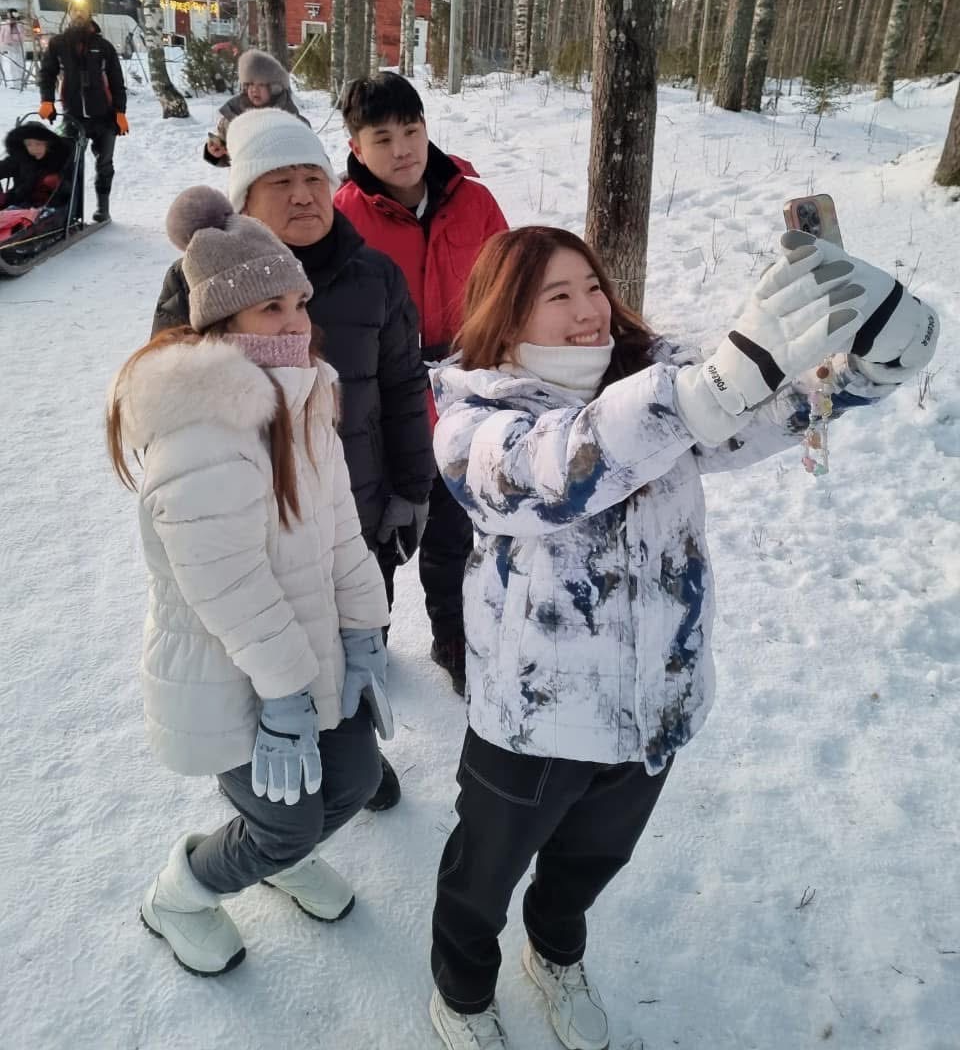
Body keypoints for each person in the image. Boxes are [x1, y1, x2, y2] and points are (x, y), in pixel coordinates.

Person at [426, 225, 940, 1050]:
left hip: (652, 706)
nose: (589, 310)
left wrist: (874, 361)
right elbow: (555, 474)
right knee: (481, 876)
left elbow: (766, 410)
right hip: (532, 724)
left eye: (593, 287)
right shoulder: (476, 422)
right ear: (507, 314)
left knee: (589, 863)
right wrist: (700, 393)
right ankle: (461, 993)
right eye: (558, 295)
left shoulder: (657, 384)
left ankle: (554, 952)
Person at [108, 186, 392, 977]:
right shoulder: (199, 429)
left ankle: (277, 858)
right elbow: (227, 585)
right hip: (233, 670)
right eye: (272, 308)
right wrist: (284, 693)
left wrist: (364, 629)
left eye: (299, 302)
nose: (297, 321)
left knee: (356, 778)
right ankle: (182, 894)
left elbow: (341, 528)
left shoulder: (303, 392)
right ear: (221, 321)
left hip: (302, 650)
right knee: (283, 822)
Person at [152, 108, 434, 811]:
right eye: (281, 182)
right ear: (244, 198)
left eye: (315, 177)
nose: (304, 195)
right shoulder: (195, 280)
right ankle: (269, 786)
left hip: (356, 508)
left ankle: (352, 751)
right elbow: (169, 395)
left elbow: (405, 385)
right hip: (251, 522)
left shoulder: (375, 274)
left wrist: (412, 487)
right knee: (261, 645)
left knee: (357, 635)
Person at [336, 72, 509, 695]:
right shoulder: (341, 217)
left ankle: (453, 635)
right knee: (374, 534)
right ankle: (368, 644)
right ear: (356, 148)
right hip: (380, 403)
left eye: (410, 131)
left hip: (462, 395)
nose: (402, 149)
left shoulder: (473, 200)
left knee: (453, 530)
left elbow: (507, 285)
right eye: (382, 139)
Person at [38, 0, 127, 224]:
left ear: (90, 14)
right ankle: (69, 213)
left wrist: (120, 112)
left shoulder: (103, 46)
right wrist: (47, 100)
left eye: (83, 10)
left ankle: (103, 209)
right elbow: (47, 74)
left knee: (104, 164)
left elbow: (117, 80)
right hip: (73, 115)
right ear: (69, 13)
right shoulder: (58, 44)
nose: (79, 14)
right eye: (75, 10)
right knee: (69, 164)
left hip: (104, 117)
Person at [203, 48, 310, 167]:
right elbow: (226, 152)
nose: (254, 89)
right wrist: (215, 153)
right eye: (250, 84)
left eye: (261, 84)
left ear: (274, 88)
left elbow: (310, 155)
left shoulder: (292, 121)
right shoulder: (233, 114)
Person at [0, 122, 75, 214]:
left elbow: (65, 191)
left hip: (46, 209)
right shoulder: (21, 159)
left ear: (48, 144)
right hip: (17, 202)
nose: (34, 149)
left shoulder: (59, 161)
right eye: (29, 144)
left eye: (38, 144)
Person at [0, 9, 26, 87]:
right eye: (8, 14)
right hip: (7, 46)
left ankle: (19, 83)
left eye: (9, 14)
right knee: (11, 65)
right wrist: (2, 45)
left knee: (18, 64)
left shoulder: (19, 24)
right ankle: (15, 84)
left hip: (17, 46)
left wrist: (13, 38)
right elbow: (2, 35)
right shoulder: (5, 24)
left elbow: (21, 36)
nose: (8, 15)